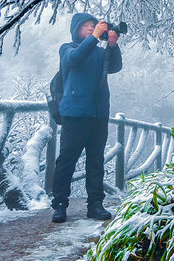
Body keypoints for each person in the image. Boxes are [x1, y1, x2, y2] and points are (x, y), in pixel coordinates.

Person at [51, 13, 122, 223]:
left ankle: (95, 204)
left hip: (98, 115)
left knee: (96, 162)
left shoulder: (100, 53)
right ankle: (60, 204)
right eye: (86, 26)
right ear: (76, 29)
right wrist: (94, 37)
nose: (91, 28)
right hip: (74, 115)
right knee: (66, 161)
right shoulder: (67, 48)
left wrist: (112, 45)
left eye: (93, 25)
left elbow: (115, 67)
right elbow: (74, 59)